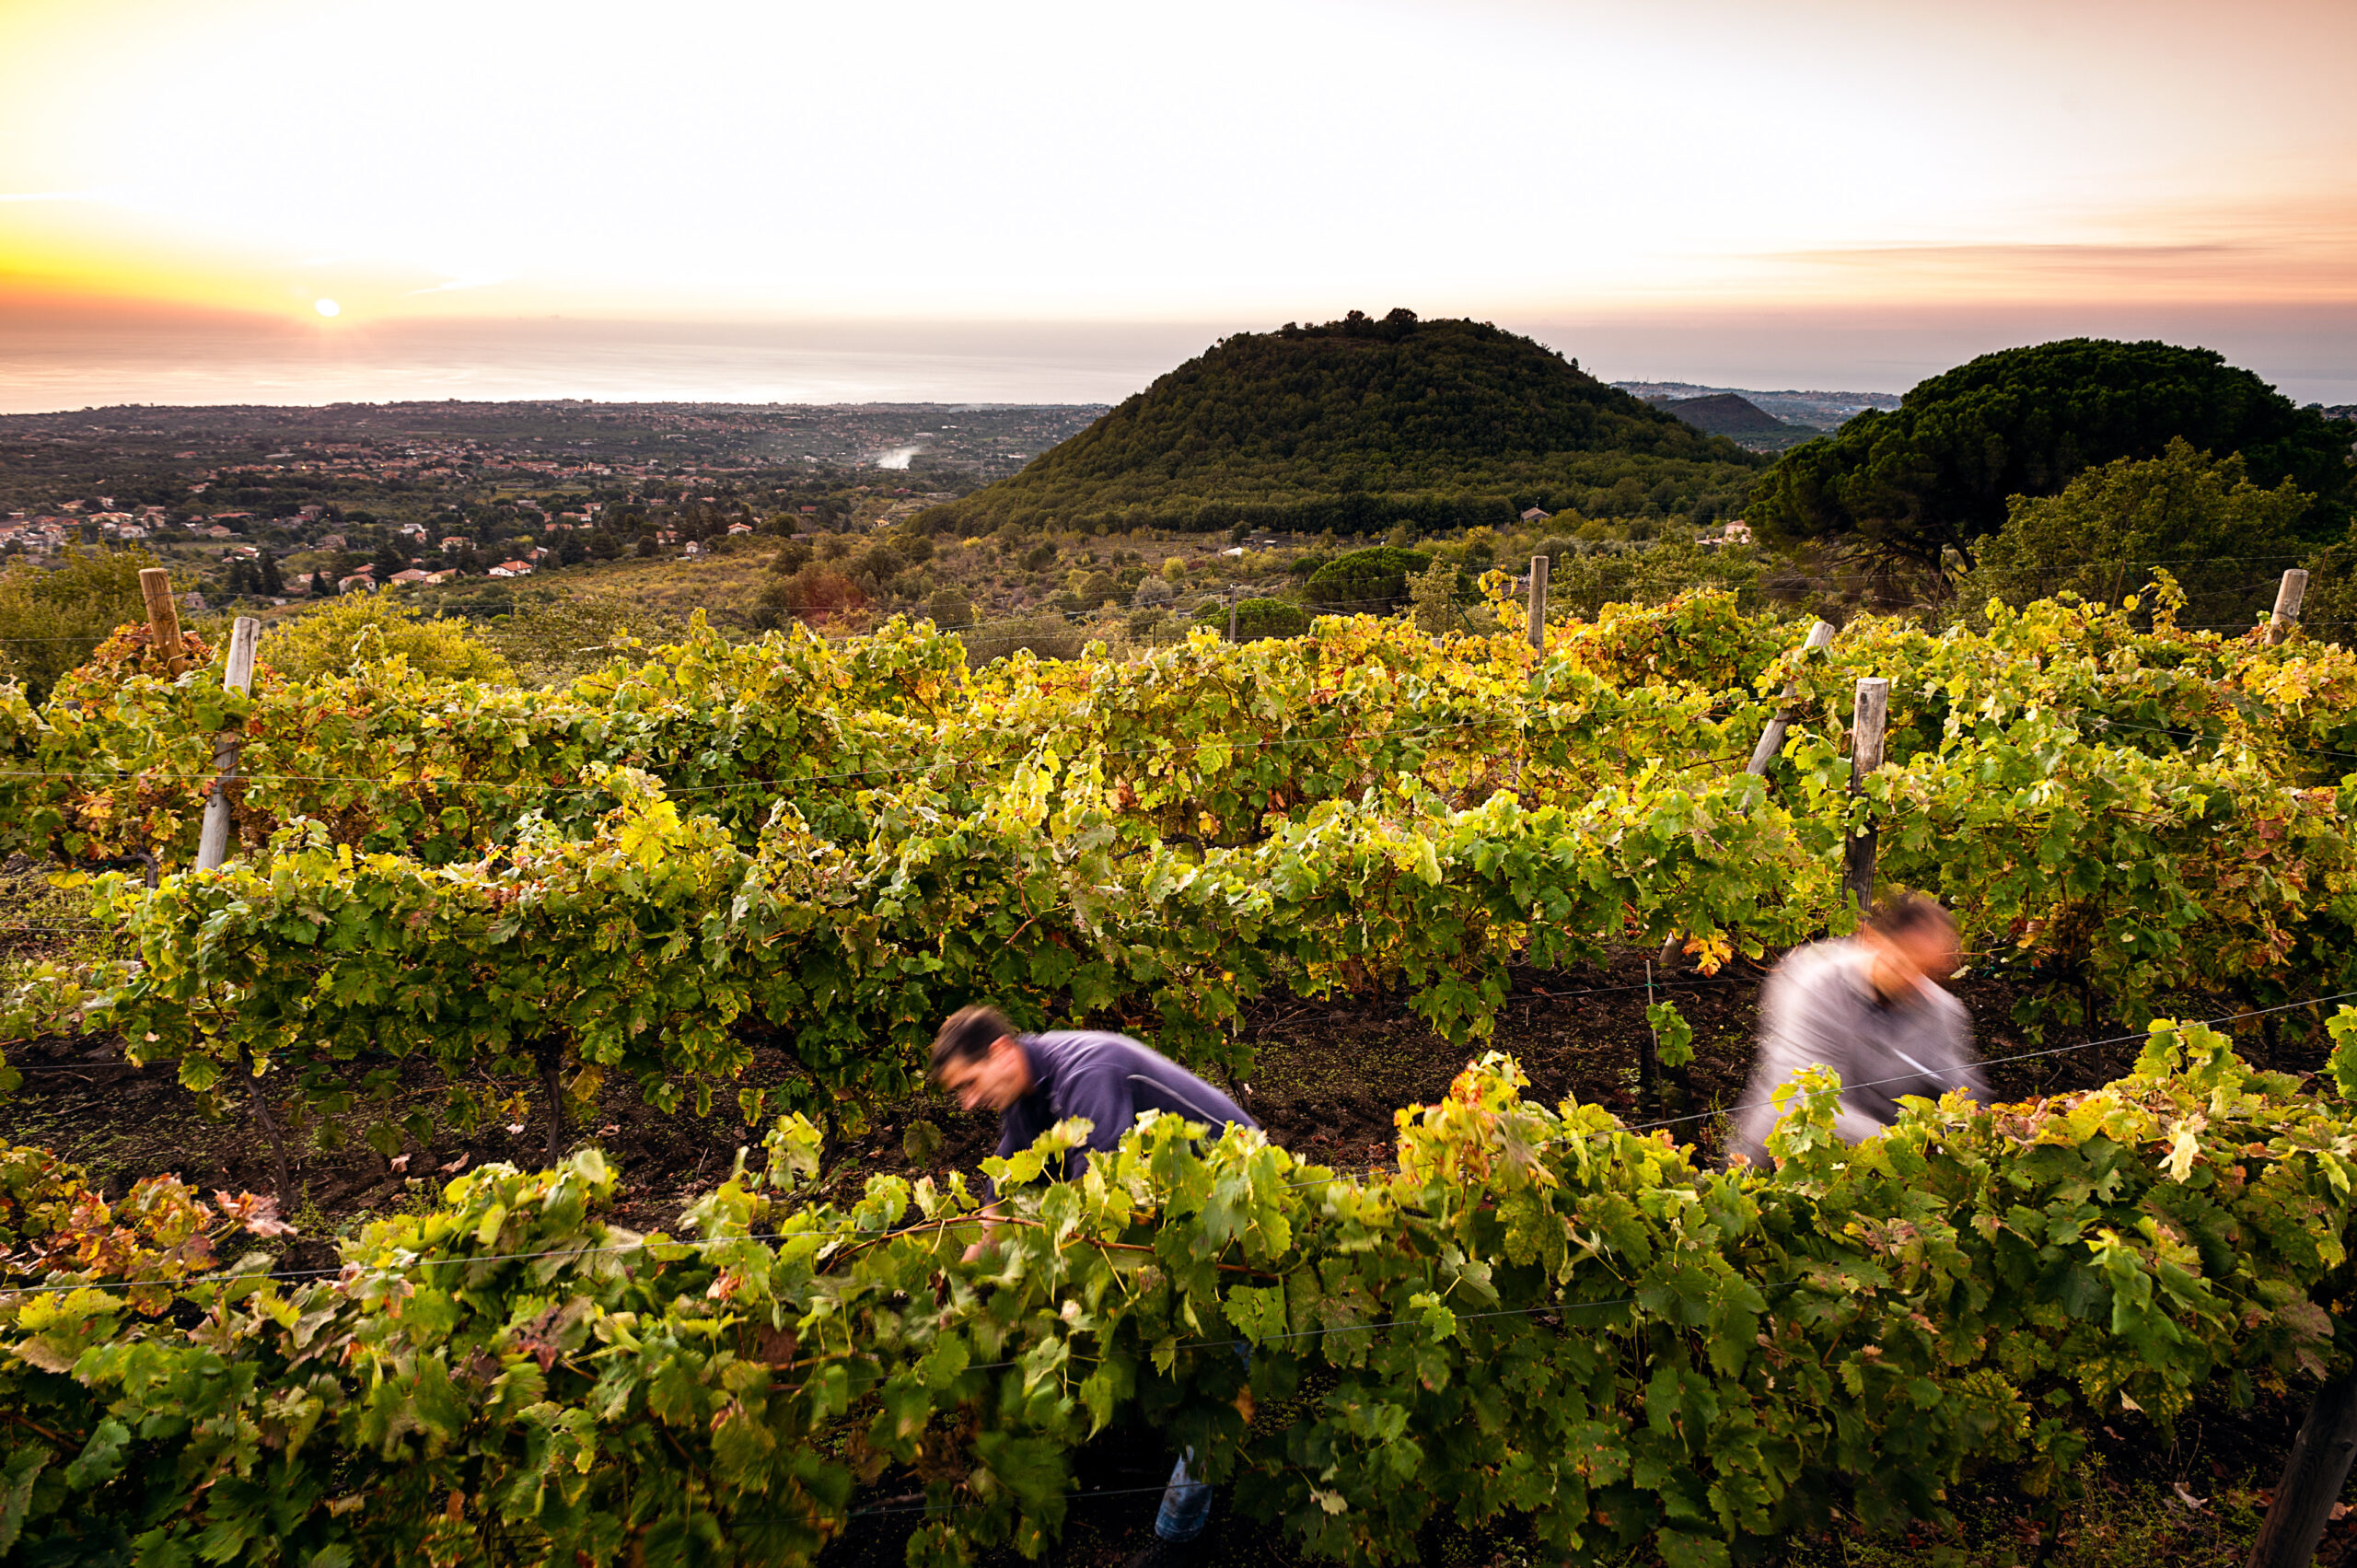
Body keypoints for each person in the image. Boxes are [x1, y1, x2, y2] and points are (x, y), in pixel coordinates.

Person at [930, 1005, 1257, 1564]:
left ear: (1002, 1053)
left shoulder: (1087, 1073)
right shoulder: (1027, 1091)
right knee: (1149, 1333)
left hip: (1238, 1205)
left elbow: (1100, 1208)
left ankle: (1179, 1539)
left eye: (968, 1084)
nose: (966, 1102)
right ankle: (1150, 1446)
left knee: (1221, 1380)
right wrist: (965, 1273)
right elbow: (1003, 1195)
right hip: (1181, 1210)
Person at [1729, 894, 1985, 1167]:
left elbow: (1963, 1094)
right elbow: (1811, 1103)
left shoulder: (1940, 1009)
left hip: (1883, 1172)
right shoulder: (1815, 983)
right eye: (1905, 962)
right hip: (1783, 1160)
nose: (1915, 981)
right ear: (1874, 942)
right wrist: (1907, 1148)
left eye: (1926, 970)